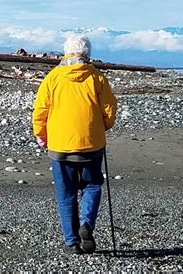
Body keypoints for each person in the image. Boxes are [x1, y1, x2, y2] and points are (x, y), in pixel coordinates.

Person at [32, 35, 117, 255]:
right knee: (92, 185)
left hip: (59, 146)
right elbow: (109, 110)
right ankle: (87, 224)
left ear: (65, 53)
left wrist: (41, 136)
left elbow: (40, 111)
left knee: (66, 194)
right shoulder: (97, 78)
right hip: (91, 144)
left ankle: (72, 242)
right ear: (87, 54)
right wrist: (101, 127)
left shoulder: (53, 78)